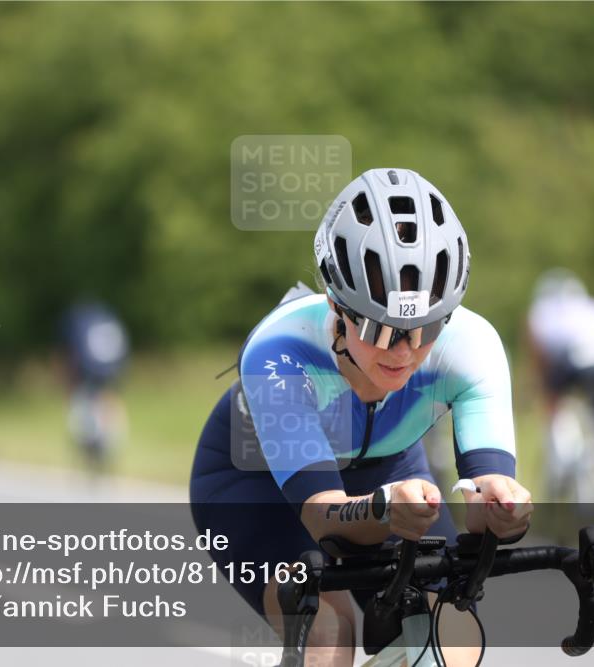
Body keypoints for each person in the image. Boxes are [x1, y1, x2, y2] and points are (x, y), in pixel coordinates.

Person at [190, 168, 533, 667]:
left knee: (450, 635)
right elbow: (321, 516)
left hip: (387, 475)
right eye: (380, 327)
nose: (406, 350)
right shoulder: (281, 353)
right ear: (337, 306)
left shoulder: (473, 345)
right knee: (329, 633)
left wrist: (503, 508)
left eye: (428, 325)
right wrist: (383, 509)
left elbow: (484, 502)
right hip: (255, 485)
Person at [526, 269, 594, 493]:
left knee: (552, 402)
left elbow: (540, 358)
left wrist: (540, 388)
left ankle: (559, 463)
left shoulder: (541, 310)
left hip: (578, 361)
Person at [60, 302, 130, 468]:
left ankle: (88, 441)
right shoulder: (110, 321)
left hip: (90, 369)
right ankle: (107, 442)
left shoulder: (82, 322)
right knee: (109, 401)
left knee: (83, 401)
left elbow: (77, 352)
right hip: (112, 368)